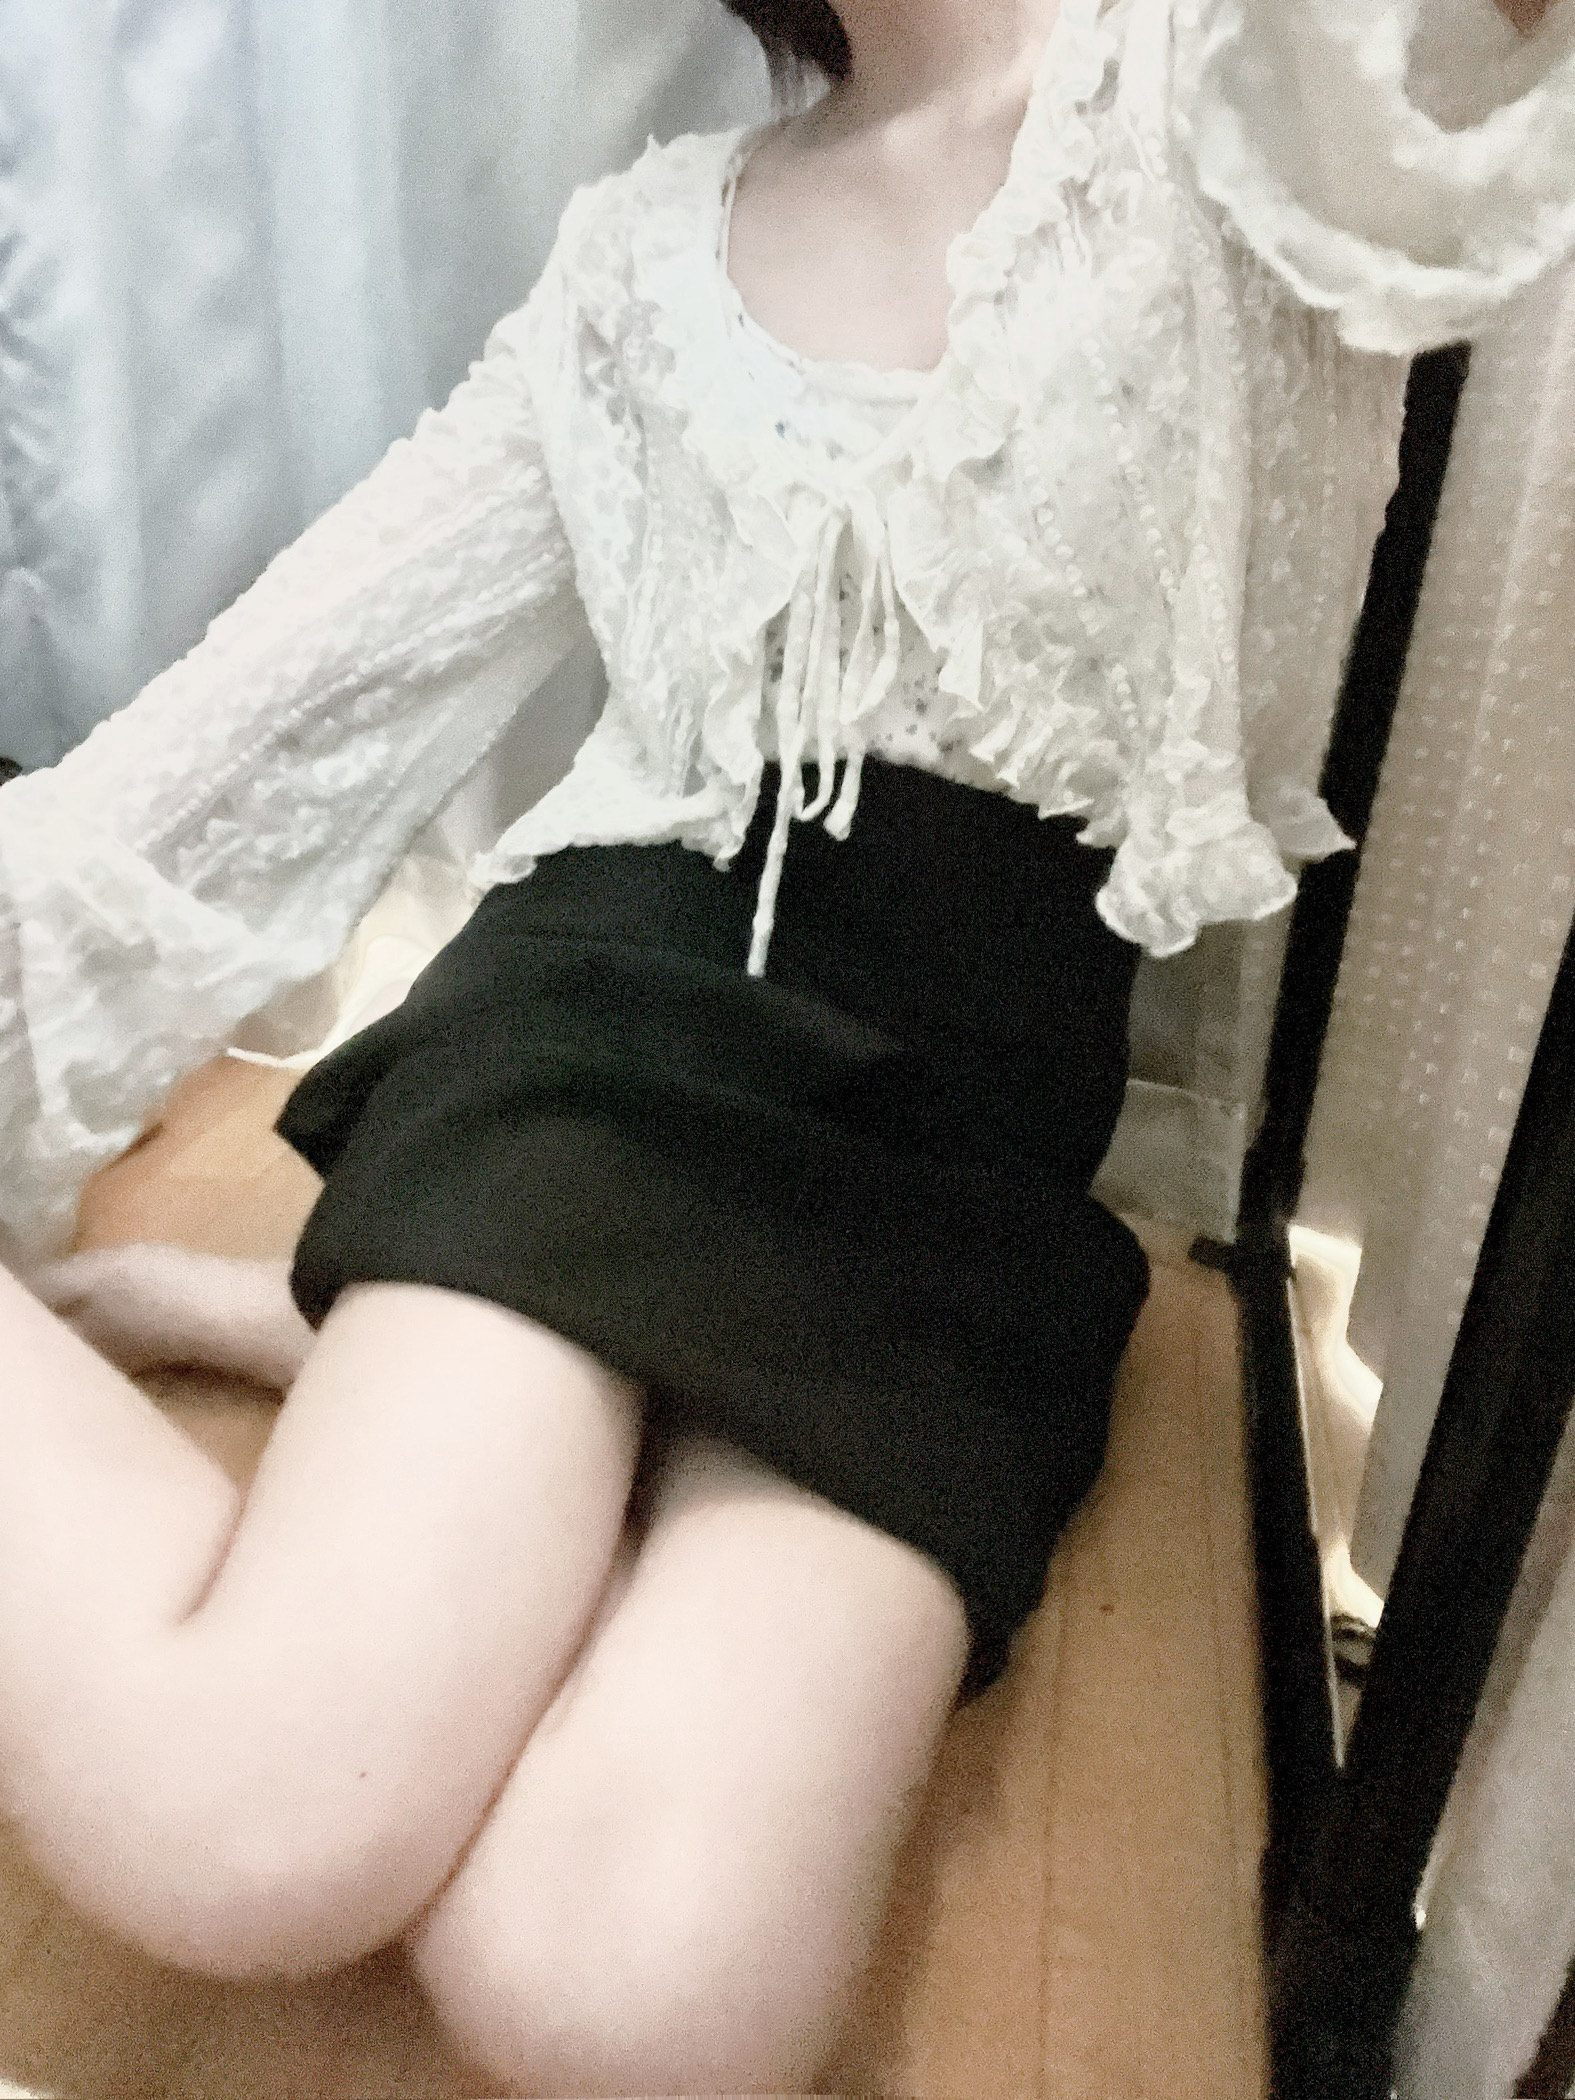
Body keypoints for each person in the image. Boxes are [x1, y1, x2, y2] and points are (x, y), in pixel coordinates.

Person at [1, 0, 1570, 2089]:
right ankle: (444, 1322)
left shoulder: (1236, 91)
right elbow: (268, 717)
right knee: (249, 1819)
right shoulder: (635, 258)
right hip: (607, 1039)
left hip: (960, 1156)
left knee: (630, 1999)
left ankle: (381, 1333)